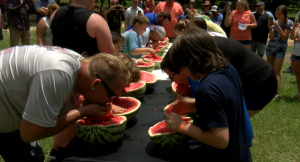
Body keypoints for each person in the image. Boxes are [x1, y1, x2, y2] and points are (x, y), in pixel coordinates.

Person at [0, 45, 131, 162]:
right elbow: (30, 134)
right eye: (111, 95)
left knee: (33, 155)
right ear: (95, 83)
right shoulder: (57, 76)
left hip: (11, 113)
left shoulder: (80, 65)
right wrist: (83, 112)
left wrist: (84, 104)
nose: (110, 101)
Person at [163, 27, 251, 161]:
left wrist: (182, 126)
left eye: (184, 66)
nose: (185, 72)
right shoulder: (227, 68)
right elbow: (226, 103)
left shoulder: (207, 89)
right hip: (241, 153)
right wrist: (194, 104)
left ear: (192, 60)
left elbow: (221, 140)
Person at [165, 25, 276, 118]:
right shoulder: (204, 52)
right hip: (249, 79)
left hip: (261, 82)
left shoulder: (213, 64)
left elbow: (215, 101)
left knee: (234, 122)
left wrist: (183, 125)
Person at [48, 51, 141, 160]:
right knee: (61, 151)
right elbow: (80, 100)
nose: (123, 91)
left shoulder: (92, 85)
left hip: (75, 133)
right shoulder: (80, 87)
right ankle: (55, 151)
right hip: (66, 137)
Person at [50, 0, 115, 56]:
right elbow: (109, 54)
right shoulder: (96, 20)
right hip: (85, 68)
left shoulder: (55, 14)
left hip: (62, 67)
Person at [266, 5, 293, 99]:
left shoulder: (289, 23)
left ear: (284, 13)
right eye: (276, 13)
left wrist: (278, 27)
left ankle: (276, 92)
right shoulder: (274, 22)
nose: (277, 15)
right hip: (270, 48)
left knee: (276, 70)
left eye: (279, 14)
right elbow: (272, 37)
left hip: (280, 50)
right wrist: (271, 29)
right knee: (269, 70)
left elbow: (284, 37)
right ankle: (268, 89)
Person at [290, 19, 300, 98]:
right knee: (297, 73)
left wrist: (297, 39)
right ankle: (299, 92)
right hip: (296, 53)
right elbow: (292, 37)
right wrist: (293, 28)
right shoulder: (298, 26)